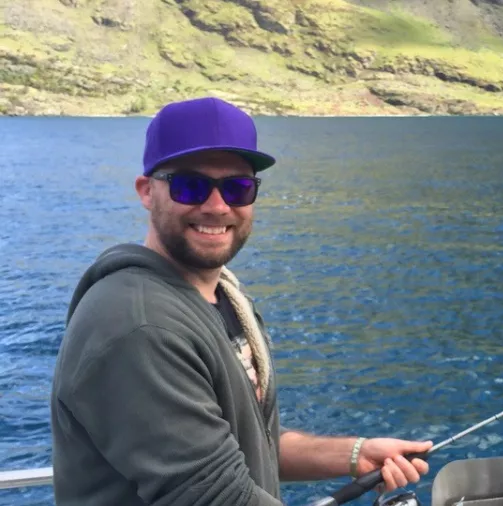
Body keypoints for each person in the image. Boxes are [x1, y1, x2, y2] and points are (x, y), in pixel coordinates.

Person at [49, 96, 432, 506]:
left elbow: (245, 442)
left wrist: (354, 454)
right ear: (147, 191)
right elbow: (216, 495)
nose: (217, 206)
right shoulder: (138, 326)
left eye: (237, 187)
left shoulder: (220, 296)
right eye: (190, 185)